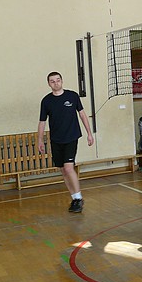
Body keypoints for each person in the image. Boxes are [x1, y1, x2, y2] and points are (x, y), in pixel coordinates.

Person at [38, 71, 94, 213]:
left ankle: (79, 198)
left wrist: (89, 133)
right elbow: (42, 122)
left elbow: (82, 114)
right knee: (63, 170)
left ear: (62, 81)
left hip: (71, 137)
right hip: (56, 139)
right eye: (52, 81)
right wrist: (40, 140)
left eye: (58, 80)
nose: (56, 83)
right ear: (49, 84)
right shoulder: (46, 101)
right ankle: (74, 198)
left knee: (69, 168)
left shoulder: (72, 96)